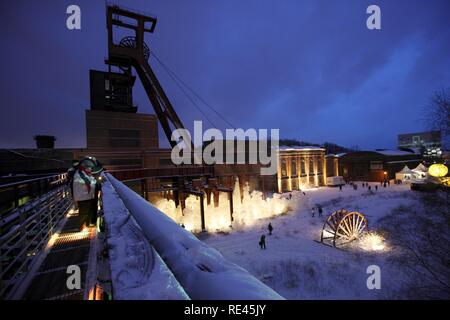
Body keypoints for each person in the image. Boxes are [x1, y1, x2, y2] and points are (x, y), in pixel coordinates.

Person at [72, 157, 101, 231]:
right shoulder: (79, 173)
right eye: (89, 168)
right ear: (85, 167)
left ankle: (87, 225)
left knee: (87, 211)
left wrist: (94, 179)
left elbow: (90, 179)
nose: (90, 169)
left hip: (86, 195)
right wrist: (96, 181)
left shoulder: (83, 173)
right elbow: (87, 181)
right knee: (83, 212)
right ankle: (81, 226)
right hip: (83, 196)